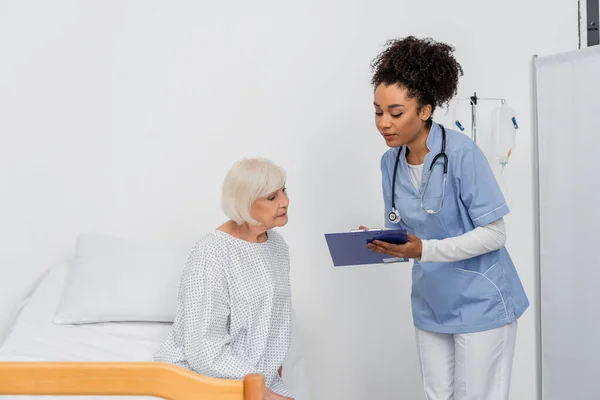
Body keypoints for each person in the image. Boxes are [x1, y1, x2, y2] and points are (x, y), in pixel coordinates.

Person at [363, 36, 530, 400]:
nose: (384, 123)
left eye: (395, 113)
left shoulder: (462, 154)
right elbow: (404, 237)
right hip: (431, 301)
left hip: (480, 300)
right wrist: (378, 242)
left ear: (424, 111)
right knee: (437, 395)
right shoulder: (389, 163)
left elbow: (494, 234)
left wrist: (424, 250)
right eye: (378, 111)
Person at [154, 157, 295, 400]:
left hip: (255, 379)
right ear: (244, 202)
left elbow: (268, 319)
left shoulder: (277, 246)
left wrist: (270, 369)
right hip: (202, 378)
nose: (284, 202)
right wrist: (261, 389)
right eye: (272, 197)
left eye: (283, 190)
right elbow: (203, 348)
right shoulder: (212, 252)